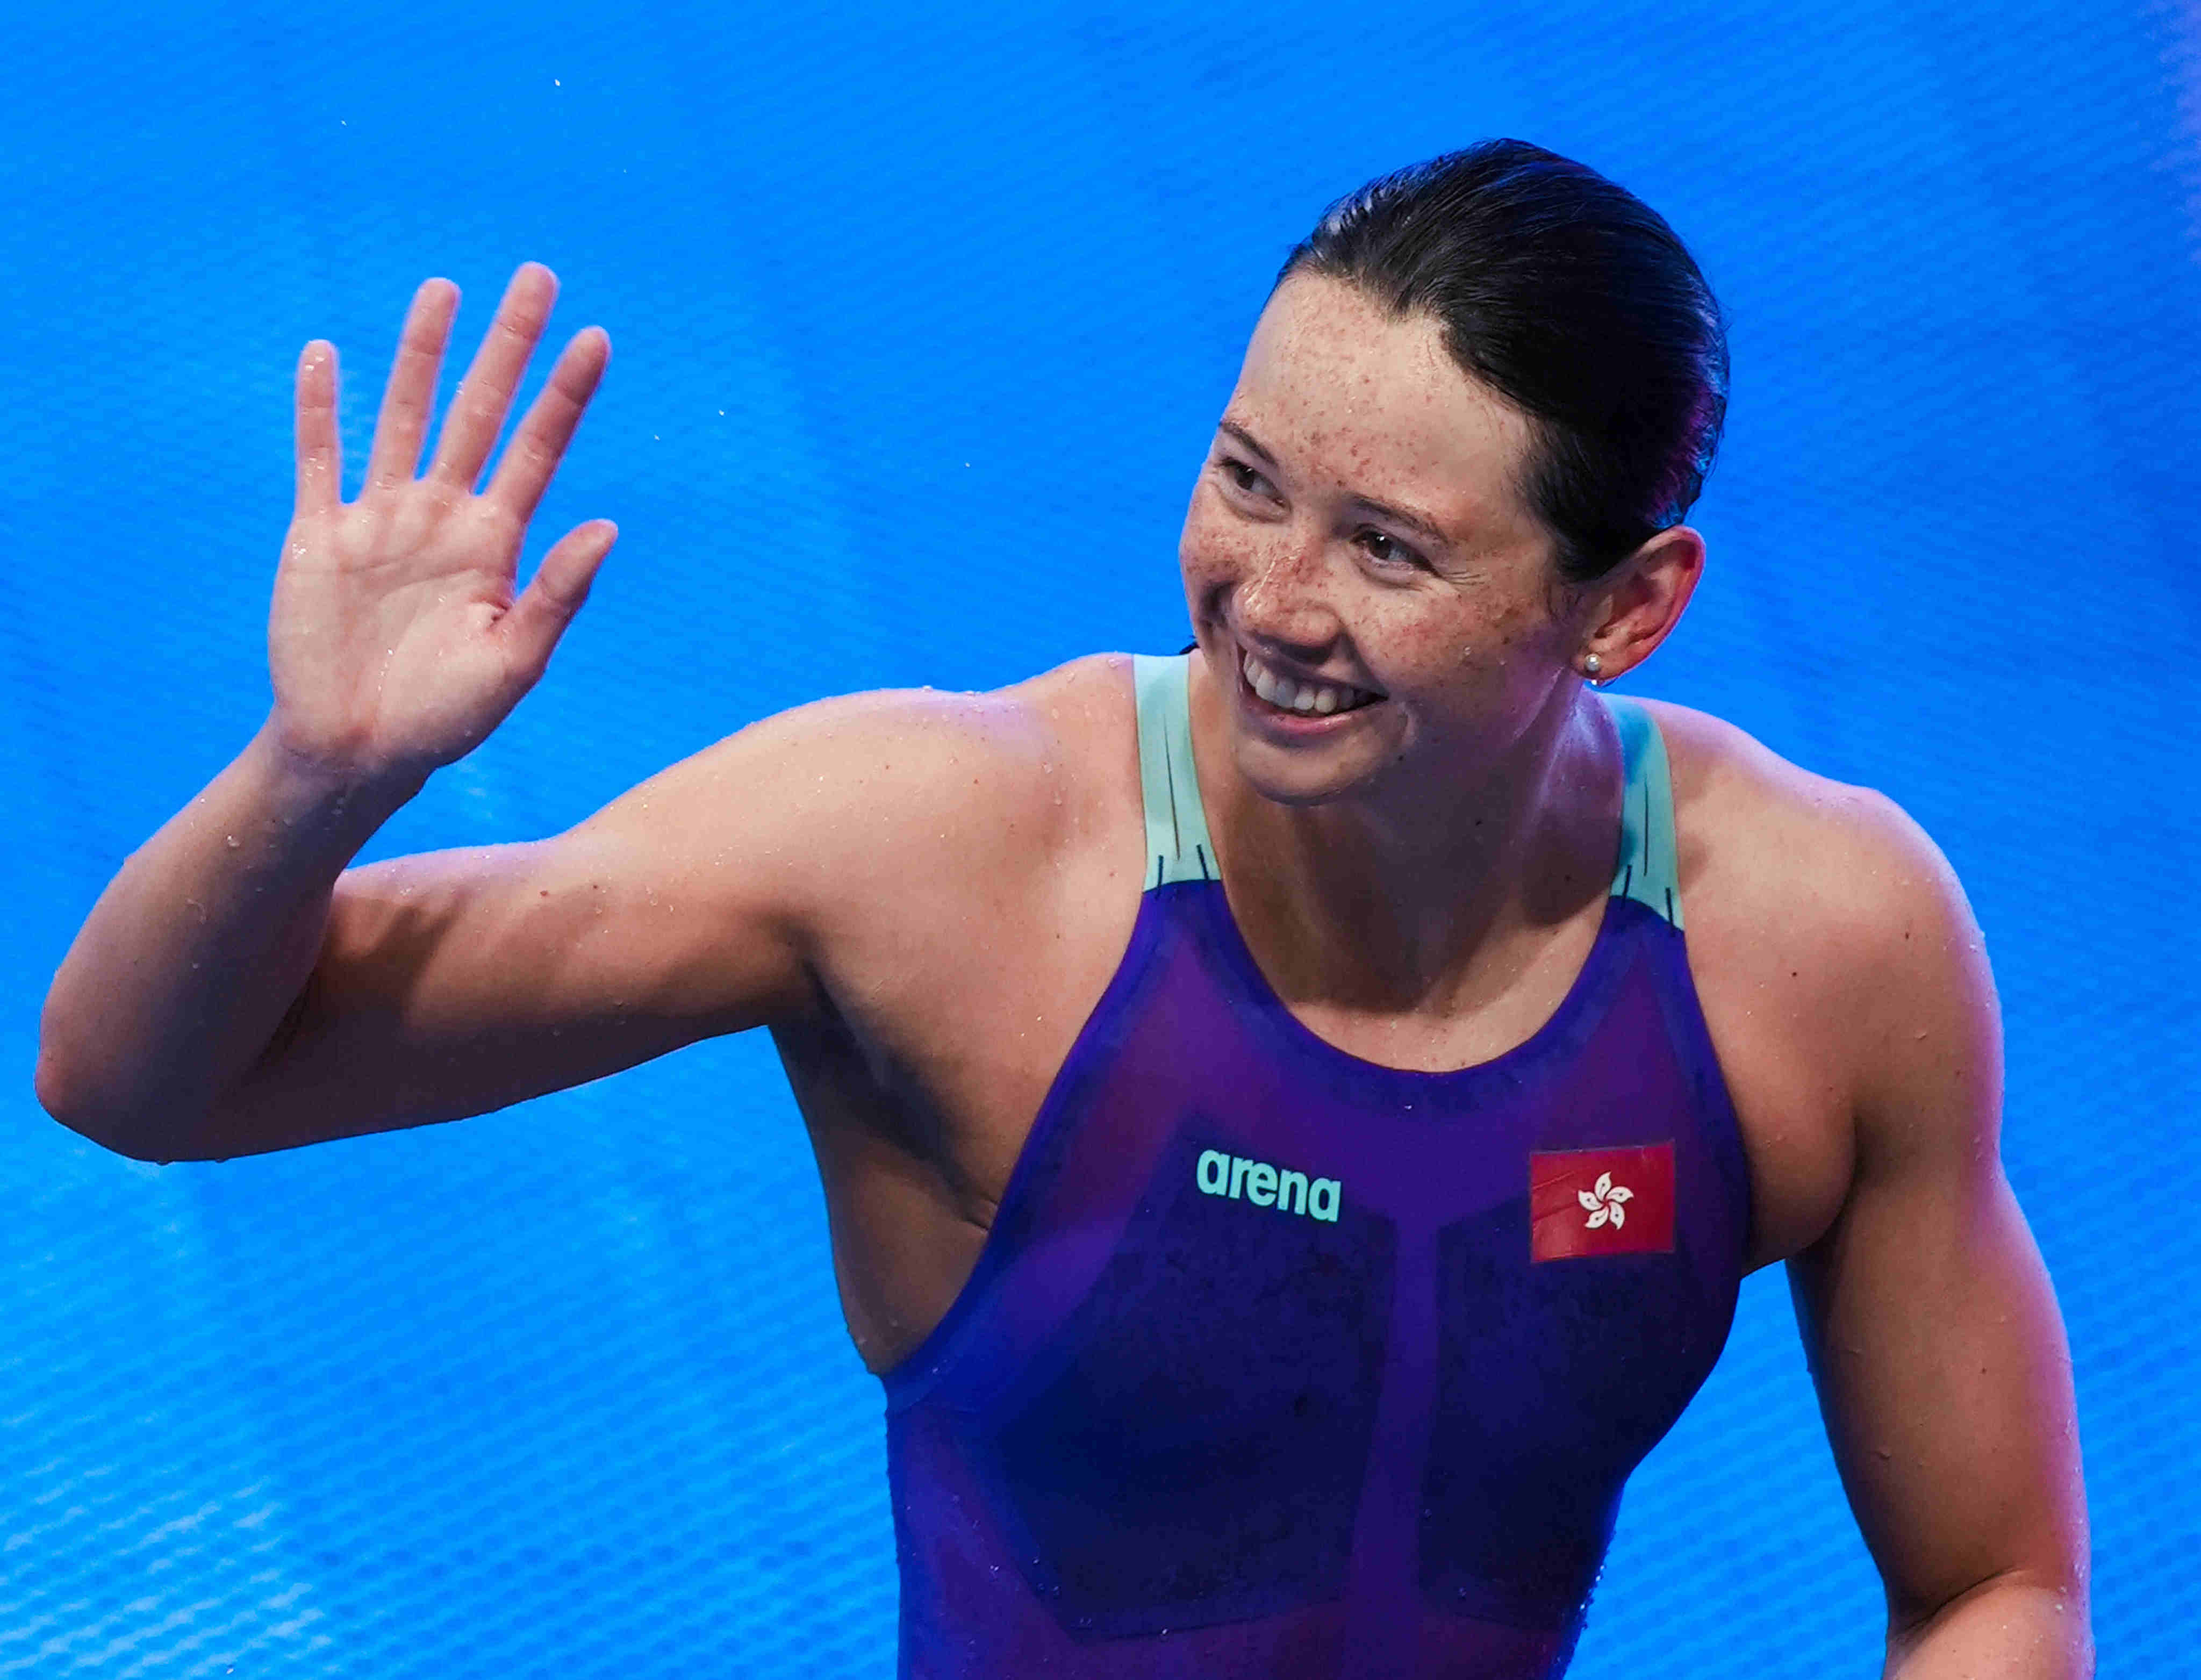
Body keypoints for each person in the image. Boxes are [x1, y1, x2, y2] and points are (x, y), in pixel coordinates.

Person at [37, 140, 2089, 1678]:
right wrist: (322, 780)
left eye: (1390, 548)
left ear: (1629, 607)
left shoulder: (1824, 946)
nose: (1274, 604)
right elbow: (142, 1081)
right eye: (1248, 480)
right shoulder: (934, 854)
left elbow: (1998, 1578)